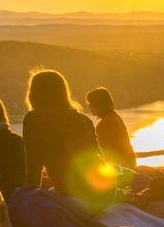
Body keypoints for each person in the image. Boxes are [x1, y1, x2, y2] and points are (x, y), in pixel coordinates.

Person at [22, 69, 114, 206]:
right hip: (104, 192)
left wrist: (30, 198)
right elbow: (99, 157)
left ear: (34, 94)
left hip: (74, 194)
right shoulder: (84, 119)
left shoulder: (34, 119)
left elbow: (33, 163)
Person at [86, 87, 137, 170]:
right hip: (128, 164)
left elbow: (99, 149)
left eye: (91, 104)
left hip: (120, 168)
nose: (89, 107)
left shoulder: (106, 123)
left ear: (99, 104)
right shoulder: (114, 117)